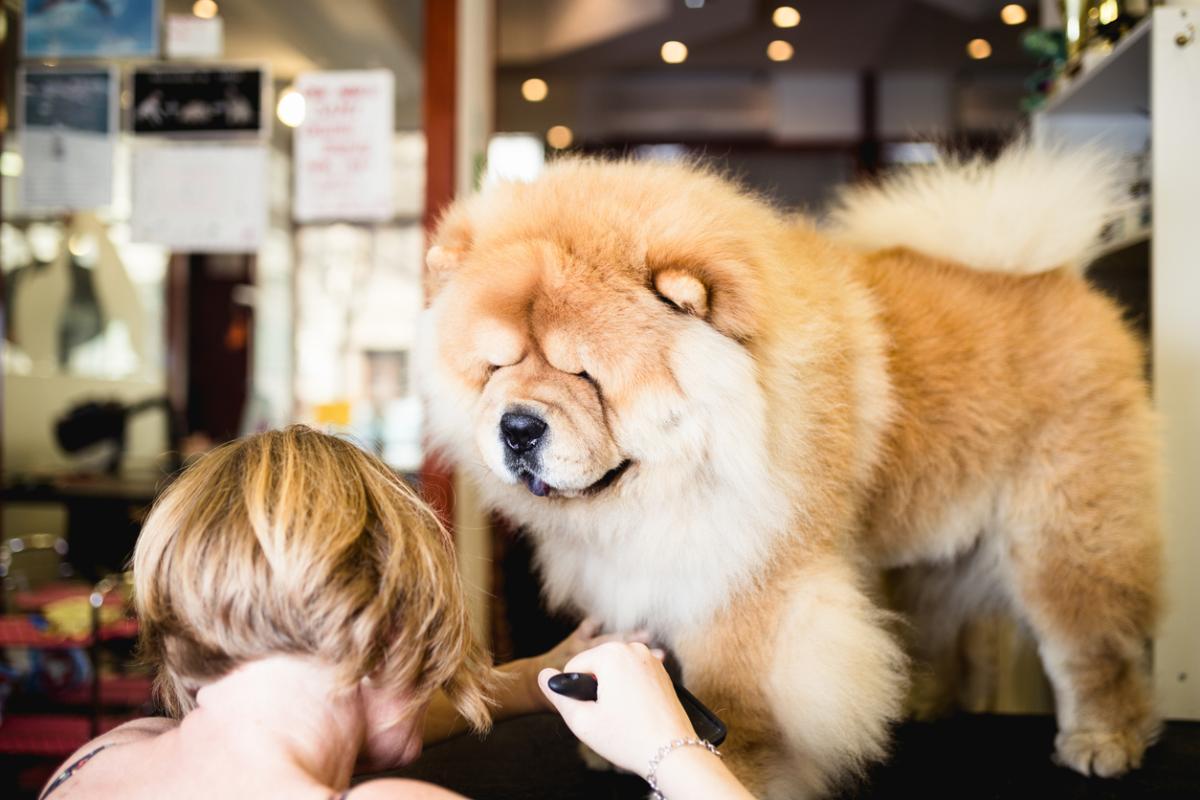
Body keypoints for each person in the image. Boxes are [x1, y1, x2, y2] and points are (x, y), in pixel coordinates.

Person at [39, 426, 752, 799]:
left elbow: (352, 713)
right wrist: (670, 751)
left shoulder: (100, 761)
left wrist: (539, 675)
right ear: (389, 621)